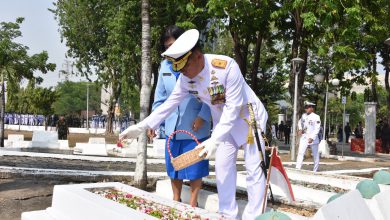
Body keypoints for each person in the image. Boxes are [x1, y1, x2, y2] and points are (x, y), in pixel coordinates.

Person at [120, 29, 268, 219]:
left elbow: (232, 108)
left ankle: (254, 216)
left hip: (249, 120)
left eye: (184, 67)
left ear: (197, 57)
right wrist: (142, 126)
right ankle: (227, 215)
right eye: (179, 69)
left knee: (254, 169)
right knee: (223, 169)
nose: (183, 73)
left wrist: (214, 139)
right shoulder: (186, 79)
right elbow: (169, 105)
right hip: (223, 125)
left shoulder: (225, 67)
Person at [147, 25, 211, 207]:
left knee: (195, 167)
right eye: (166, 47)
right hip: (172, 126)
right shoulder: (164, 66)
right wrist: (154, 121)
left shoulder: (198, 61)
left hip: (195, 126)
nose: (170, 50)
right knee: (174, 166)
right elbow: (160, 98)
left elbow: (211, 94)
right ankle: (176, 199)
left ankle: (193, 203)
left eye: (173, 45)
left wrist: (203, 116)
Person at [296, 101, 321, 172]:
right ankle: (298, 168)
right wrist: (300, 129)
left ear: (311, 108)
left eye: (307, 107)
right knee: (300, 152)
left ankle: (315, 170)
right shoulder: (303, 115)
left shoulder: (316, 117)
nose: (305, 109)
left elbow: (317, 128)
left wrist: (312, 137)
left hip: (313, 138)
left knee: (315, 155)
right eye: (305, 107)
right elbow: (299, 122)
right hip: (304, 137)